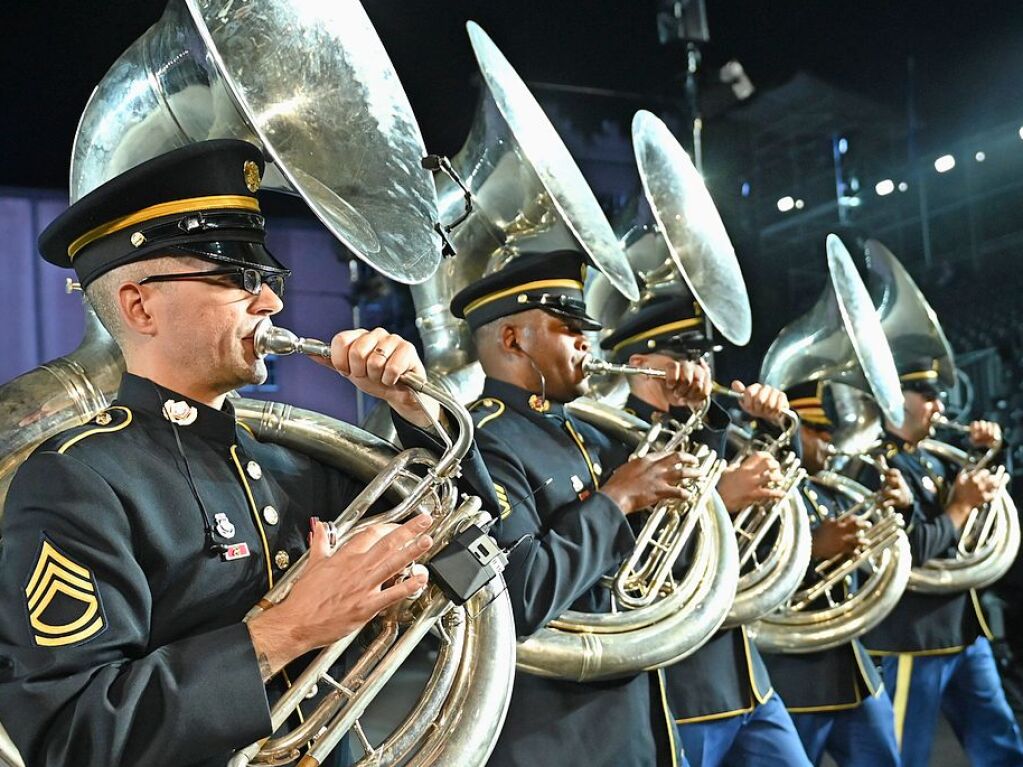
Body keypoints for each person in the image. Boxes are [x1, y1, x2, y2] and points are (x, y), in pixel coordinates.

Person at [0, 139, 497, 767]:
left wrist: (416, 411)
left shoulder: (295, 464)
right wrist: (284, 631)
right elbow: (75, 735)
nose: (271, 302)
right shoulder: (78, 478)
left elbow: (480, 553)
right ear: (139, 304)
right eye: (236, 279)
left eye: (267, 279)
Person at [449, 250, 704, 767]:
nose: (587, 341)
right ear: (513, 339)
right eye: (568, 328)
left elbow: (675, 544)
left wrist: (697, 420)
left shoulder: (595, 434)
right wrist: (617, 500)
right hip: (552, 734)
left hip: (634, 716)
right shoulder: (483, 441)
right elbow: (520, 595)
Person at [599, 296, 813, 767]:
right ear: (638, 364)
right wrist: (720, 497)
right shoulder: (610, 441)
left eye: (702, 357)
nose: (698, 368)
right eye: (681, 357)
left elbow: (778, 519)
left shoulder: (717, 430)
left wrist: (778, 429)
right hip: (682, 689)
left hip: (746, 677)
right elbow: (633, 573)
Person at [861, 359, 1023, 766]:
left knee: (1001, 745)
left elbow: (988, 505)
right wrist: (958, 508)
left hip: (965, 632)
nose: (940, 406)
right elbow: (907, 551)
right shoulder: (877, 467)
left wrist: (986, 453)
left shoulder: (935, 458)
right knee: (904, 756)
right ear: (896, 400)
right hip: (912, 639)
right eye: (928, 396)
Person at [757, 380, 903, 766]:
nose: (826, 440)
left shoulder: (832, 491)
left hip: (853, 668)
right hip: (795, 675)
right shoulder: (767, 492)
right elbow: (748, 571)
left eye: (829, 431)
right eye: (815, 430)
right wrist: (813, 551)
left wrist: (901, 511)